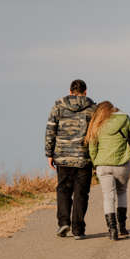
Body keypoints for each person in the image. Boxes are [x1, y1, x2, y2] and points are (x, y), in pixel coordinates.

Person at [45, 79, 96, 240]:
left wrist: (49, 153)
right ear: (86, 92)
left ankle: (63, 222)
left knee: (63, 190)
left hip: (63, 156)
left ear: (70, 91)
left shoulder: (58, 106)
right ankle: (78, 229)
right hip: (84, 157)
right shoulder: (93, 109)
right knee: (81, 193)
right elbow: (96, 134)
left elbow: (50, 130)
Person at [85, 101, 130, 240]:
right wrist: (127, 152)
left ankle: (112, 230)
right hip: (122, 164)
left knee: (108, 196)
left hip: (103, 165)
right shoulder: (125, 119)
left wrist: (96, 163)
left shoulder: (97, 122)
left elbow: (92, 147)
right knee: (122, 193)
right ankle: (122, 228)